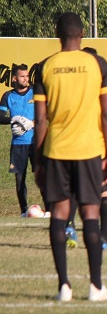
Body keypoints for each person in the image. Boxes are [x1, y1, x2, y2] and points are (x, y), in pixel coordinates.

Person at [33, 12, 107, 301]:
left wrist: (39, 161)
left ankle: (64, 287)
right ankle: (96, 286)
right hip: (89, 151)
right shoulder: (97, 64)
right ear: (82, 33)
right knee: (90, 214)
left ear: (56, 33)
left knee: (59, 216)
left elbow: (41, 121)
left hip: (56, 151)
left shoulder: (45, 67)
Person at [64, 47, 107, 250]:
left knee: (74, 188)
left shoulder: (70, 88)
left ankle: (69, 225)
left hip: (70, 144)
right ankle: (103, 238)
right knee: (104, 191)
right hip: (96, 146)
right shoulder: (103, 90)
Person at [0, 64, 48, 217]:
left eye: (27, 76)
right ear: (14, 78)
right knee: (19, 179)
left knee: (41, 175)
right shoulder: (8, 96)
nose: (26, 79)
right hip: (18, 144)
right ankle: (23, 211)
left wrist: (31, 124)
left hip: (36, 142)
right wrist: (13, 119)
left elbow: (47, 113)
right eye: (22, 76)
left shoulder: (35, 92)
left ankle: (49, 210)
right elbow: (0, 117)